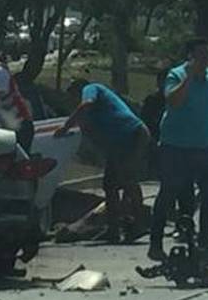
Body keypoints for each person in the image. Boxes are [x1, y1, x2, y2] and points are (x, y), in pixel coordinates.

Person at [148, 38, 208, 261]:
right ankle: (155, 244)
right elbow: (172, 101)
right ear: (190, 56)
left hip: (204, 146)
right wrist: (190, 78)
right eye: (201, 54)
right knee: (169, 192)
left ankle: (205, 241)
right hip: (175, 146)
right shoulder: (176, 75)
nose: (206, 59)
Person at [56, 80, 150, 243]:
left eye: (72, 96)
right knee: (110, 184)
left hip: (133, 135)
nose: (72, 101)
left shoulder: (90, 89)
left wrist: (65, 127)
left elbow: (86, 104)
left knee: (128, 180)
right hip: (122, 141)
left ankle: (139, 223)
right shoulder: (95, 112)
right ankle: (113, 228)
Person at [140, 67, 196, 240]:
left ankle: (185, 224)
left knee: (186, 188)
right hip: (162, 147)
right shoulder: (152, 101)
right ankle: (162, 225)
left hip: (185, 146)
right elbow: (147, 123)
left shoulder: (184, 99)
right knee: (168, 188)